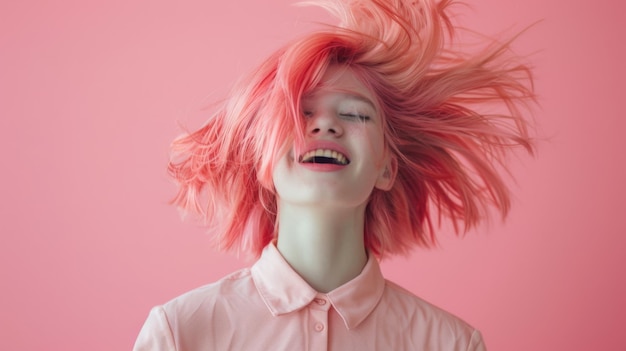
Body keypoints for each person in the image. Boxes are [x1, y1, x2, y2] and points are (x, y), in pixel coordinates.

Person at [134, 0, 535, 349]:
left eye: (354, 113)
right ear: (263, 159)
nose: (325, 125)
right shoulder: (180, 333)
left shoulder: (450, 344)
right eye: (300, 112)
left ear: (386, 168)